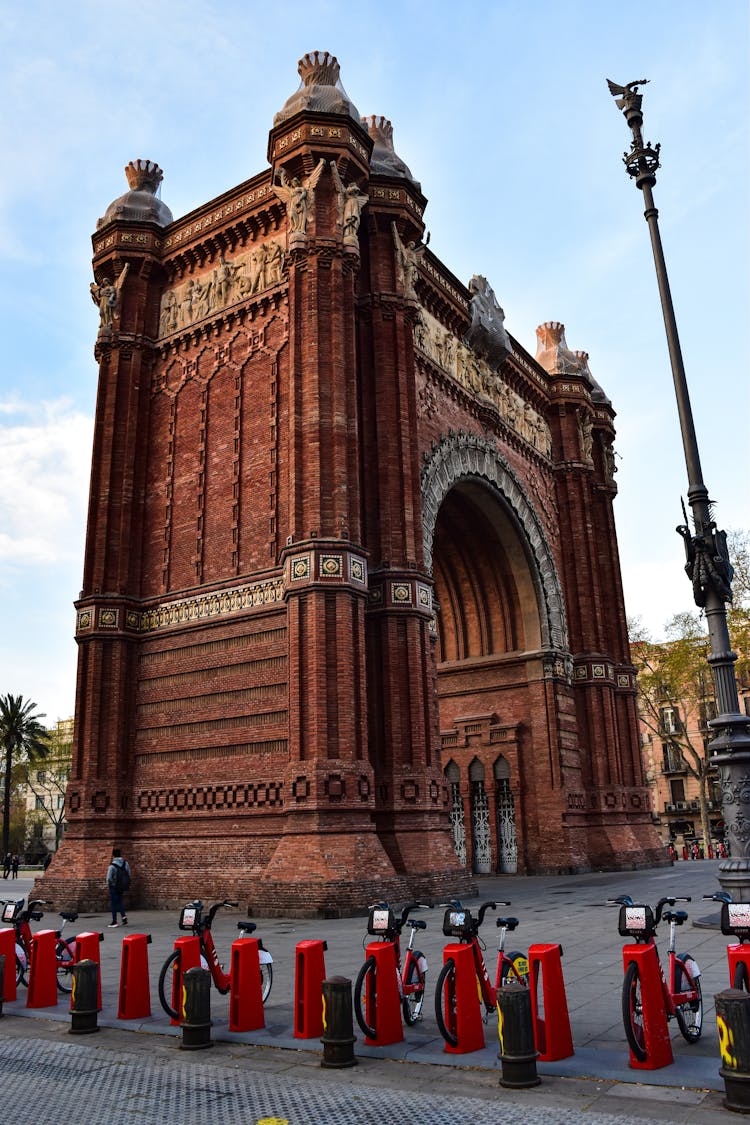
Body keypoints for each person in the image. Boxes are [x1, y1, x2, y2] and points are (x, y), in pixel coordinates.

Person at [106, 847, 131, 928]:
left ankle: (114, 921)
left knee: (113, 904)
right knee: (120, 901)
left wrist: (111, 884)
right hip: (121, 886)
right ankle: (123, 917)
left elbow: (109, 878)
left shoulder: (112, 866)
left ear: (113, 855)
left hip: (114, 887)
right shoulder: (125, 863)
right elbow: (128, 874)